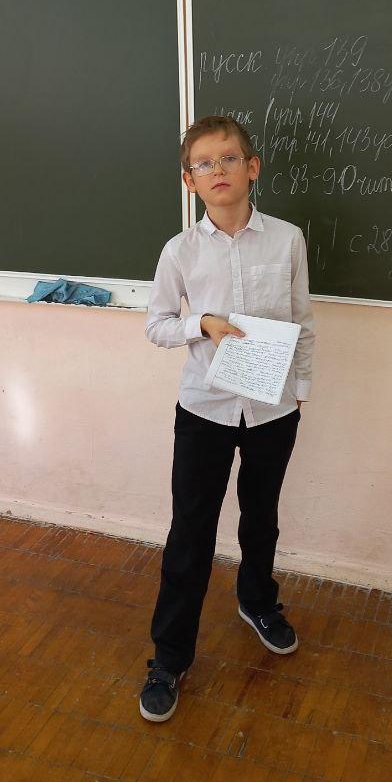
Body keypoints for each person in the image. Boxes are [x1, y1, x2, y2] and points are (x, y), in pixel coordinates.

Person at [139, 115, 315, 722]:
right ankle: (170, 656)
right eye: (204, 163)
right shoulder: (180, 251)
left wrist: (300, 389)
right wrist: (202, 325)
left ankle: (257, 601)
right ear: (189, 180)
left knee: (261, 518)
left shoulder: (287, 239)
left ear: (252, 168)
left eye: (230, 158)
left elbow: (302, 319)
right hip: (205, 409)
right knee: (191, 531)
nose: (218, 171)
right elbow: (157, 325)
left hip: (272, 407)